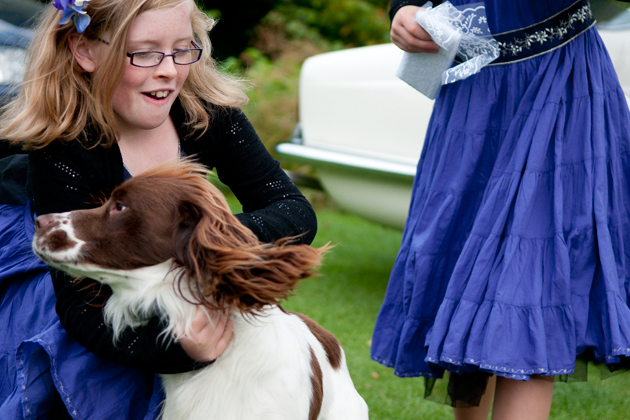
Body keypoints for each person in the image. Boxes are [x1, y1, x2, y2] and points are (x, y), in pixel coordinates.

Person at [0, 0, 317, 418]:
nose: (168, 69)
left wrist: (204, 240)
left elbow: (292, 209)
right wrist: (176, 348)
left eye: (182, 48)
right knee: (101, 377)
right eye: (144, 52)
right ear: (86, 51)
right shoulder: (65, 142)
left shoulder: (206, 112)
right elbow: (78, 306)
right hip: (69, 264)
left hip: (154, 268)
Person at [371, 0, 630, 419]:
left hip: (555, 80)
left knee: (532, 277)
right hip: (471, 94)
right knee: (462, 272)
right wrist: (402, 8)